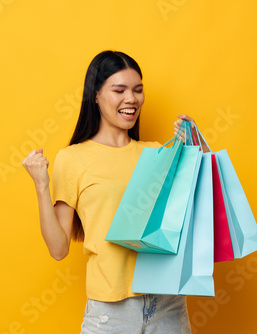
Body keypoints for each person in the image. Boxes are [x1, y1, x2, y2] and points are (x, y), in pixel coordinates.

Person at [22, 50, 199, 333]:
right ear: (95, 95)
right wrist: (41, 186)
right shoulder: (72, 158)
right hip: (111, 313)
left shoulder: (157, 152)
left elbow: (193, 217)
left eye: (138, 90)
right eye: (120, 90)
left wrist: (194, 151)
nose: (131, 99)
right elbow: (58, 249)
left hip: (168, 304)